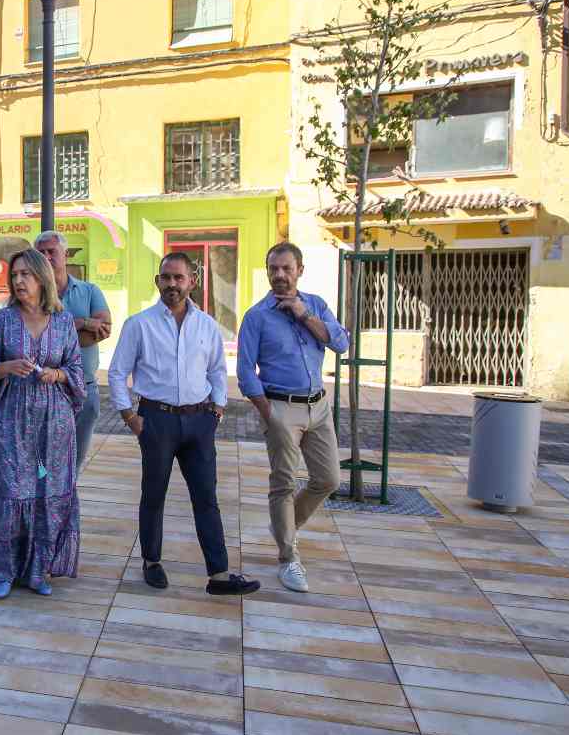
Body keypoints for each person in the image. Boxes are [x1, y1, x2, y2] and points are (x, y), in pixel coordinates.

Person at [108, 253, 260, 596]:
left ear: (193, 281)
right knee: (153, 495)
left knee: (206, 497)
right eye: (166, 278)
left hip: (199, 422)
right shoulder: (139, 324)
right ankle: (151, 561)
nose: (172, 284)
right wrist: (130, 417)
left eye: (179, 278)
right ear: (157, 281)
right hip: (156, 421)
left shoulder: (206, 325)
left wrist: (217, 410)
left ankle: (219, 575)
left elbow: (217, 371)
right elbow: (117, 373)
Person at [0, 249, 85, 599]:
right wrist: (5, 367)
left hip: (53, 425)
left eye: (26, 275)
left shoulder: (63, 322)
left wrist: (58, 373)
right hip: (10, 422)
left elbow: (77, 369)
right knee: (12, 490)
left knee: (46, 491)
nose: (18, 281)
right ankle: (4, 568)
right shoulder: (3, 321)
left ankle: (38, 569)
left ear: (41, 278)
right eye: (15, 275)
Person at [237, 241, 350, 594]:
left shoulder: (315, 305)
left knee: (328, 479)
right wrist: (268, 412)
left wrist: (304, 314)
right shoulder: (257, 316)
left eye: (287, 269)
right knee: (283, 483)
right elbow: (245, 372)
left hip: (318, 407)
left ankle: (284, 525)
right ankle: (288, 558)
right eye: (274, 269)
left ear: (299, 270)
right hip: (280, 406)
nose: (280, 275)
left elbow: (341, 344)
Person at [34, 231, 112, 465]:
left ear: (65, 255)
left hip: (84, 389)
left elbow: (103, 330)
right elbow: (36, 339)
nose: (46, 257)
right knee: (43, 462)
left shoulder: (90, 291)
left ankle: (67, 502)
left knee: (74, 462)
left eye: (51, 251)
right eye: (41, 253)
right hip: (43, 391)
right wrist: (82, 323)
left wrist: (58, 330)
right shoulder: (30, 297)